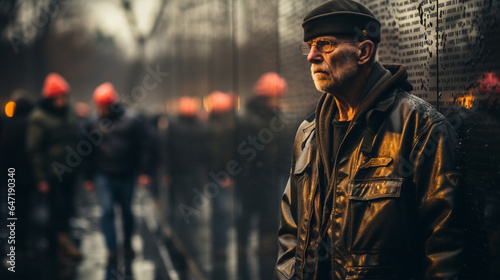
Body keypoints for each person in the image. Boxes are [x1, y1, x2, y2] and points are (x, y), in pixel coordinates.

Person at [275, 1, 464, 279]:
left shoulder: (420, 129)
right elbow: (291, 232)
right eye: (310, 46)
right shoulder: (308, 134)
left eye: (325, 44)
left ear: (364, 52)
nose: (312, 56)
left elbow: (444, 249)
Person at [84, 82, 150, 262]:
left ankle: (127, 244)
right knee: (106, 211)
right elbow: (87, 152)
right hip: (103, 174)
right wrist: (88, 177)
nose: (101, 109)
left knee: (127, 211)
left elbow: (142, 148)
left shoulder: (132, 121)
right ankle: (112, 248)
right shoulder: (93, 123)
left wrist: (143, 172)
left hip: (126, 174)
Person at [236, 72, 290, 280]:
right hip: (251, 176)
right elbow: (241, 150)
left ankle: (265, 251)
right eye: (277, 96)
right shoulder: (246, 118)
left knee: (269, 215)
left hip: (271, 175)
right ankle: (244, 249)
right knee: (247, 214)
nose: (279, 101)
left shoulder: (276, 117)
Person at [26, 73, 82, 261]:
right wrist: (41, 178)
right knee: (55, 210)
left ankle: (62, 244)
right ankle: (56, 247)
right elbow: (34, 149)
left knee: (67, 208)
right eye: (59, 97)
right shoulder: (39, 117)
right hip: (51, 173)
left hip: (69, 171)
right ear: (50, 98)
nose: (62, 101)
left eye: (64, 97)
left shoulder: (68, 113)